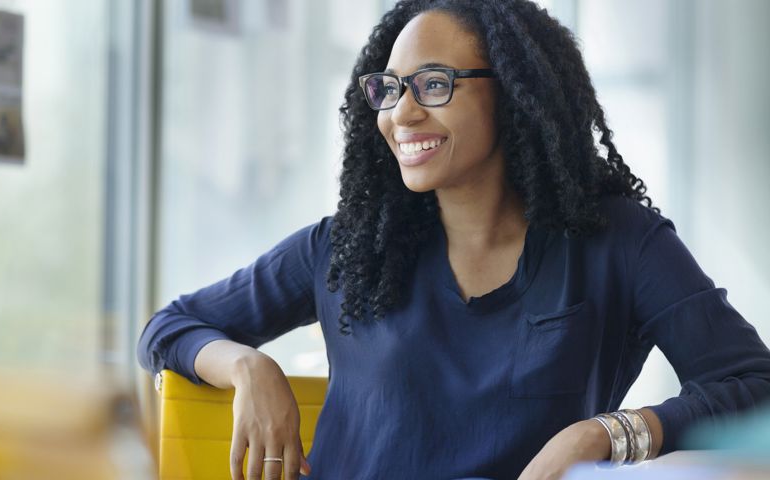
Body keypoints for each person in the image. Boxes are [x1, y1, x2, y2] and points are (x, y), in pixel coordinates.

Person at [137, 0, 770, 478]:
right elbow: (169, 327)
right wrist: (250, 366)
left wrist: (606, 434)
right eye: (388, 89)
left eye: (434, 84)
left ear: (517, 96)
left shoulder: (619, 244)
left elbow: (753, 386)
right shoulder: (346, 248)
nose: (401, 113)